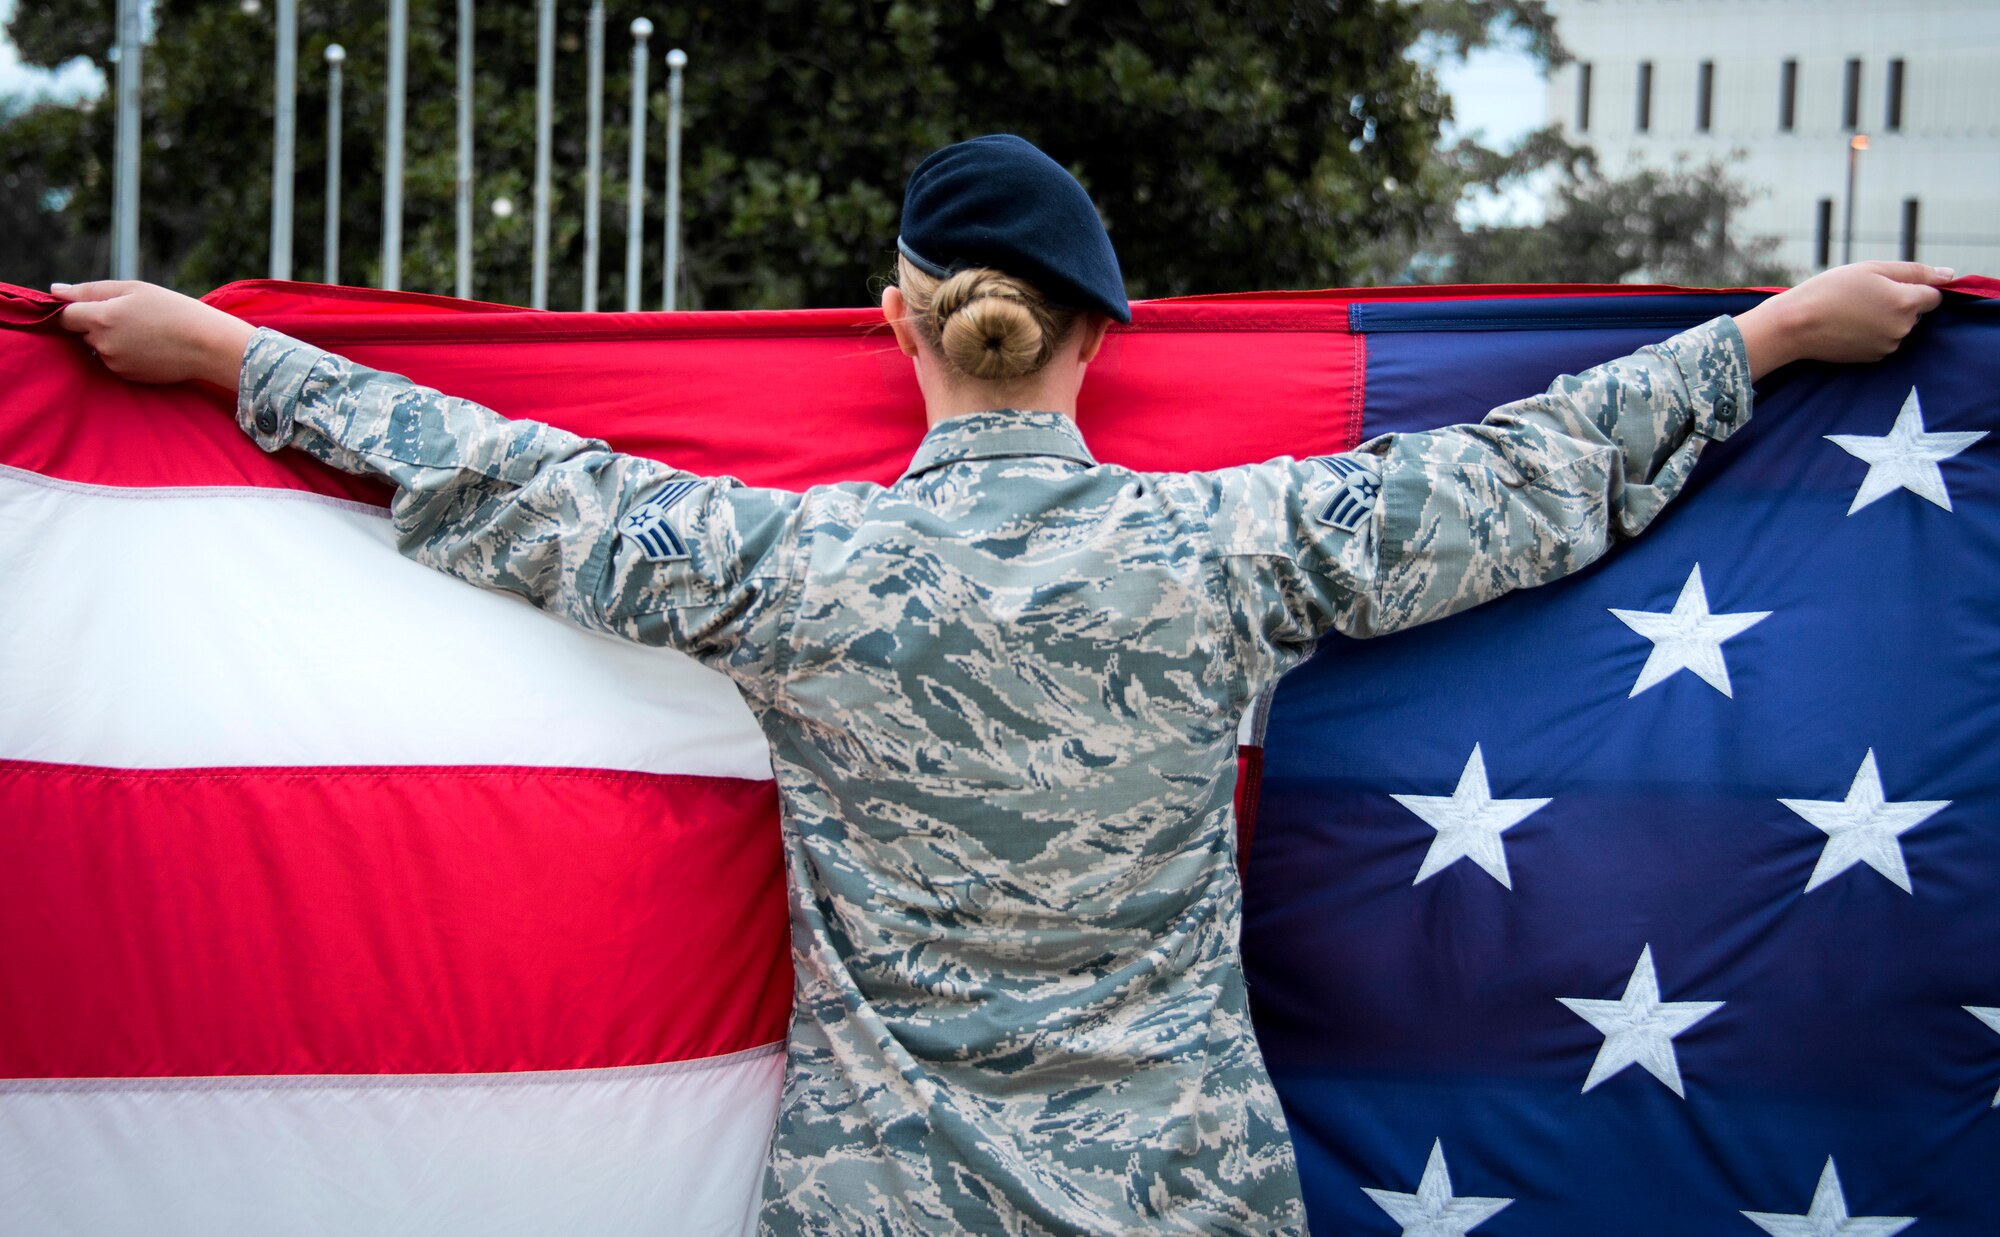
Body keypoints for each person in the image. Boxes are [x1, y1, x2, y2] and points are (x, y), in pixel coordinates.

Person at [53, 134, 1949, 1235]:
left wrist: (233, 354)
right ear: (1101, 328)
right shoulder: (1229, 549)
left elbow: (501, 477)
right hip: (1183, 1198)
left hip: (883, 1201)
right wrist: (1772, 334)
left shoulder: (784, 566)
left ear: (900, 317)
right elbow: (1530, 479)